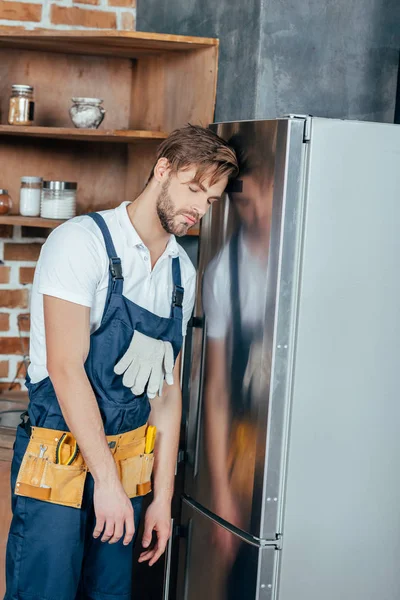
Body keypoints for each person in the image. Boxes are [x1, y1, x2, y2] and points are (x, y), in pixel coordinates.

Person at [4, 124, 238, 600]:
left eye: (210, 201)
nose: (198, 209)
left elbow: (167, 397)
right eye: (194, 190)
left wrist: (161, 501)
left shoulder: (180, 273)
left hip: (129, 469)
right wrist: (105, 483)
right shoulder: (80, 242)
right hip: (59, 458)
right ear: (162, 169)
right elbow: (67, 371)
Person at [202, 122, 277, 599]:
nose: (254, 213)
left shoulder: (317, 252)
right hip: (249, 450)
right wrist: (224, 495)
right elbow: (216, 391)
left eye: (261, 196)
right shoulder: (223, 273)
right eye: (240, 203)